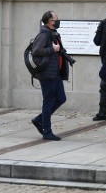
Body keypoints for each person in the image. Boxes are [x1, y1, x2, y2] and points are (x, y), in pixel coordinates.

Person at [30, 11, 69, 141]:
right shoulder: (44, 35)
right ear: (49, 21)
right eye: (55, 19)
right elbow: (36, 51)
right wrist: (52, 49)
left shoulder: (53, 34)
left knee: (61, 98)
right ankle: (47, 131)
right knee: (48, 101)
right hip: (47, 74)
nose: (58, 21)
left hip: (55, 73)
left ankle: (39, 119)